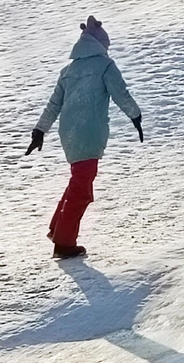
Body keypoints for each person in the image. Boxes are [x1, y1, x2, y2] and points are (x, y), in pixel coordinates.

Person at [25, 16, 144, 259]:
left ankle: (57, 230)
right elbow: (120, 93)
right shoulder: (105, 66)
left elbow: (53, 104)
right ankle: (65, 243)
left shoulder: (68, 71)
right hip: (89, 133)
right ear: (101, 45)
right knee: (82, 189)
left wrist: (40, 130)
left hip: (68, 134)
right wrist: (136, 115)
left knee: (77, 181)